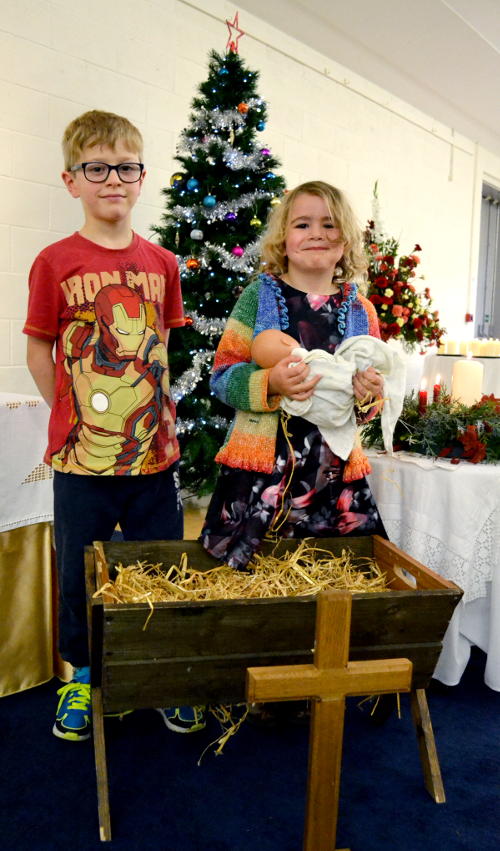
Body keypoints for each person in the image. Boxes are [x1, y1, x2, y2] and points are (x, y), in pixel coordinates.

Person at [23, 110, 195, 741]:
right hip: (80, 465)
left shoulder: (162, 263)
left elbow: (163, 350)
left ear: (142, 177)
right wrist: (66, 413)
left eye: (125, 167)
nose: (112, 180)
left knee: (160, 568)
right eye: (97, 168)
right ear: (72, 181)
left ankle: (164, 672)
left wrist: (159, 422)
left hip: (154, 460)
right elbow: (39, 349)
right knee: (78, 575)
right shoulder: (55, 262)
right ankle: (82, 675)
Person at [201, 180, 388, 570]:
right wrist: (268, 383)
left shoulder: (361, 311)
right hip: (261, 476)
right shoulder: (260, 296)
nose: (317, 233)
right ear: (283, 239)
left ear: (346, 241)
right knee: (247, 580)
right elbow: (221, 377)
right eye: (303, 224)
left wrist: (369, 395)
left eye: (329, 224)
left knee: (338, 575)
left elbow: (368, 406)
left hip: (332, 475)